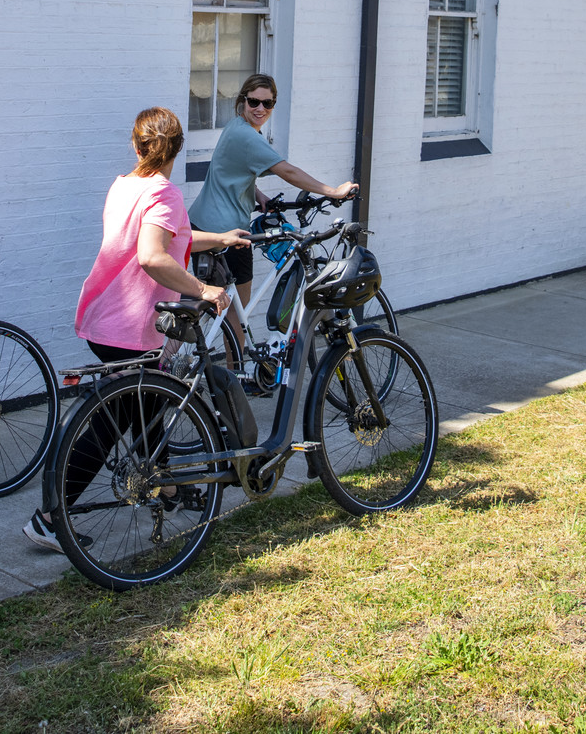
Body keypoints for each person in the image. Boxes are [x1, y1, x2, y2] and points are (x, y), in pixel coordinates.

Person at [23, 105, 249, 553]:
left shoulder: (125, 186)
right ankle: (49, 519)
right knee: (115, 423)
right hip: (129, 328)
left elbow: (170, 238)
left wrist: (220, 238)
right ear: (178, 149)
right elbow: (152, 255)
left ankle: (166, 491)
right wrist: (204, 288)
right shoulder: (165, 194)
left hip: (103, 318)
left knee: (149, 409)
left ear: (136, 144)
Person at [189, 73, 356, 350]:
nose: (260, 109)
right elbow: (287, 171)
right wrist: (333, 191)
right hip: (228, 232)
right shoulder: (248, 136)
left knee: (205, 305)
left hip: (202, 223)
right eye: (254, 101)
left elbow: (230, 168)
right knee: (236, 313)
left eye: (267, 104)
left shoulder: (235, 127)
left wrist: (256, 193)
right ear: (243, 100)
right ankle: (235, 382)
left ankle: (170, 363)